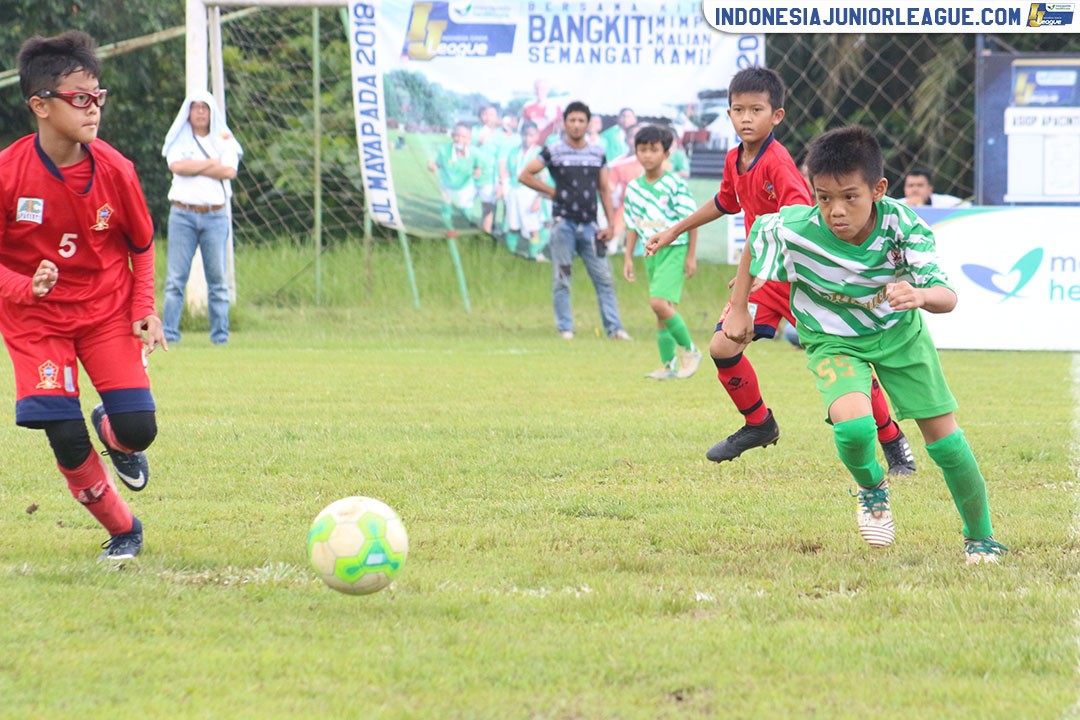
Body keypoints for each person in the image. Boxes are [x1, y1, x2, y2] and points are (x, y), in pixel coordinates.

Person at [724, 126, 1007, 564]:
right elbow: (759, 237)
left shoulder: (903, 224)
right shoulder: (797, 226)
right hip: (834, 339)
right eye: (823, 197)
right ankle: (873, 486)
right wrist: (739, 307)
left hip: (899, 336)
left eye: (849, 197)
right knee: (854, 429)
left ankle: (981, 537)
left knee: (947, 444)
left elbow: (947, 297)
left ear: (878, 189)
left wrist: (919, 296)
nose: (835, 210)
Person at [646, 67, 913, 473]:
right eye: (738, 109)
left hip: (805, 279)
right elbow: (725, 202)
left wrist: (753, 273)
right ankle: (759, 424)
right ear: (729, 113)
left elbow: (800, 219)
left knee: (845, 358)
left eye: (757, 109)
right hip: (767, 277)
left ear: (777, 116)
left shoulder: (779, 163)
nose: (746, 118)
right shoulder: (735, 158)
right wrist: (673, 230)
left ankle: (892, 440)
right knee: (722, 347)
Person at [0, 30, 165, 559]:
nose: (93, 109)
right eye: (80, 98)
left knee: (140, 429)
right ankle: (124, 530)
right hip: (36, 319)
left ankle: (113, 431)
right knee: (64, 436)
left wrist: (144, 310)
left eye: (98, 97)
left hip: (104, 311)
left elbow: (141, 244)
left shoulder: (116, 170)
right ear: (40, 105)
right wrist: (28, 287)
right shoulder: (7, 174)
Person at [519, 100, 631, 340]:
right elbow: (525, 175)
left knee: (604, 278)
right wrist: (552, 193)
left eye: (581, 121)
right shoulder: (554, 150)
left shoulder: (596, 152)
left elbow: (604, 189)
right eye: (572, 120)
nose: (577, 125)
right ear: (565, 123)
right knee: (562, 278)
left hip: (590, 227)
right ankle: (566, 329)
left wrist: (611, 225)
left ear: (588, 124)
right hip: (563, 225)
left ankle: (614, 329)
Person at [161, 90, 243, 346]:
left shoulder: (224, 138)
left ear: (211, 112)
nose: (199, 112)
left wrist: (195, 165)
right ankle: (170, 334)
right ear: (188, 111)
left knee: (217, 280)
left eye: (204, 108)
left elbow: (229, 170)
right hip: (183, 214)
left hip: (215, 216)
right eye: (195, 107)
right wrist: (211, 163)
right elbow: (177, 166)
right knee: (176, 279)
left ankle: (220, 336)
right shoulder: (179, 138)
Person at [621, 125, 701, 379]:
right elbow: (632, 225)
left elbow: (692, 220)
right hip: (650, 253)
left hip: (674, 249)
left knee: (657, 303)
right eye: (642, 150)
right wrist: (628, 258)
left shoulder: (675, 184)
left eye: (653, 150)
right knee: (661, 311)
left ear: (666, 153)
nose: (647, 155)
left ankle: (691, 350)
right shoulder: (633, 188)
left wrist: (690, 255)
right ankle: (669, 366)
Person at [428, 122, 482, 235]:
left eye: (463, 137)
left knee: (465, 211)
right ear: (452, 136)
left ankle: (472, 225)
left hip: (465, 187)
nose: (459, 139)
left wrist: (477, 171)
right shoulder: (444, 150)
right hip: (447, 185)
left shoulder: (474, 153)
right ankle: (450, 230)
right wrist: (433, 166)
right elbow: (438, 164)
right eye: (456, 135)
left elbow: (478, 167)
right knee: (446, 209)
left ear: (469, 139)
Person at [900, 167, 967, 208]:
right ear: (904, 189)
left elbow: (967, 206)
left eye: (920, 185)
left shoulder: (945, 204)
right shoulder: (897, 206)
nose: (915, 189)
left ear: (930, 189)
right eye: (910, 186)